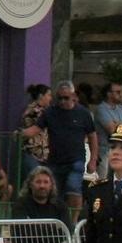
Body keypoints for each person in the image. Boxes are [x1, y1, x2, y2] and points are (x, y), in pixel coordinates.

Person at [42, 81, 97, 212]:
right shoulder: (50, 112)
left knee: (73, 189)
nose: (62, 101)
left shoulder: (83, 113)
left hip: (75, 160)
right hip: (55, 160)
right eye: (59, 98)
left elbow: (93, 136)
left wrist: (93, 160)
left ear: (73, 96)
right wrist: (22, 133)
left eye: (65, 98)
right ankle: (57, 222)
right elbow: (36, 128)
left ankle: (72, 224)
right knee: (55, 193)